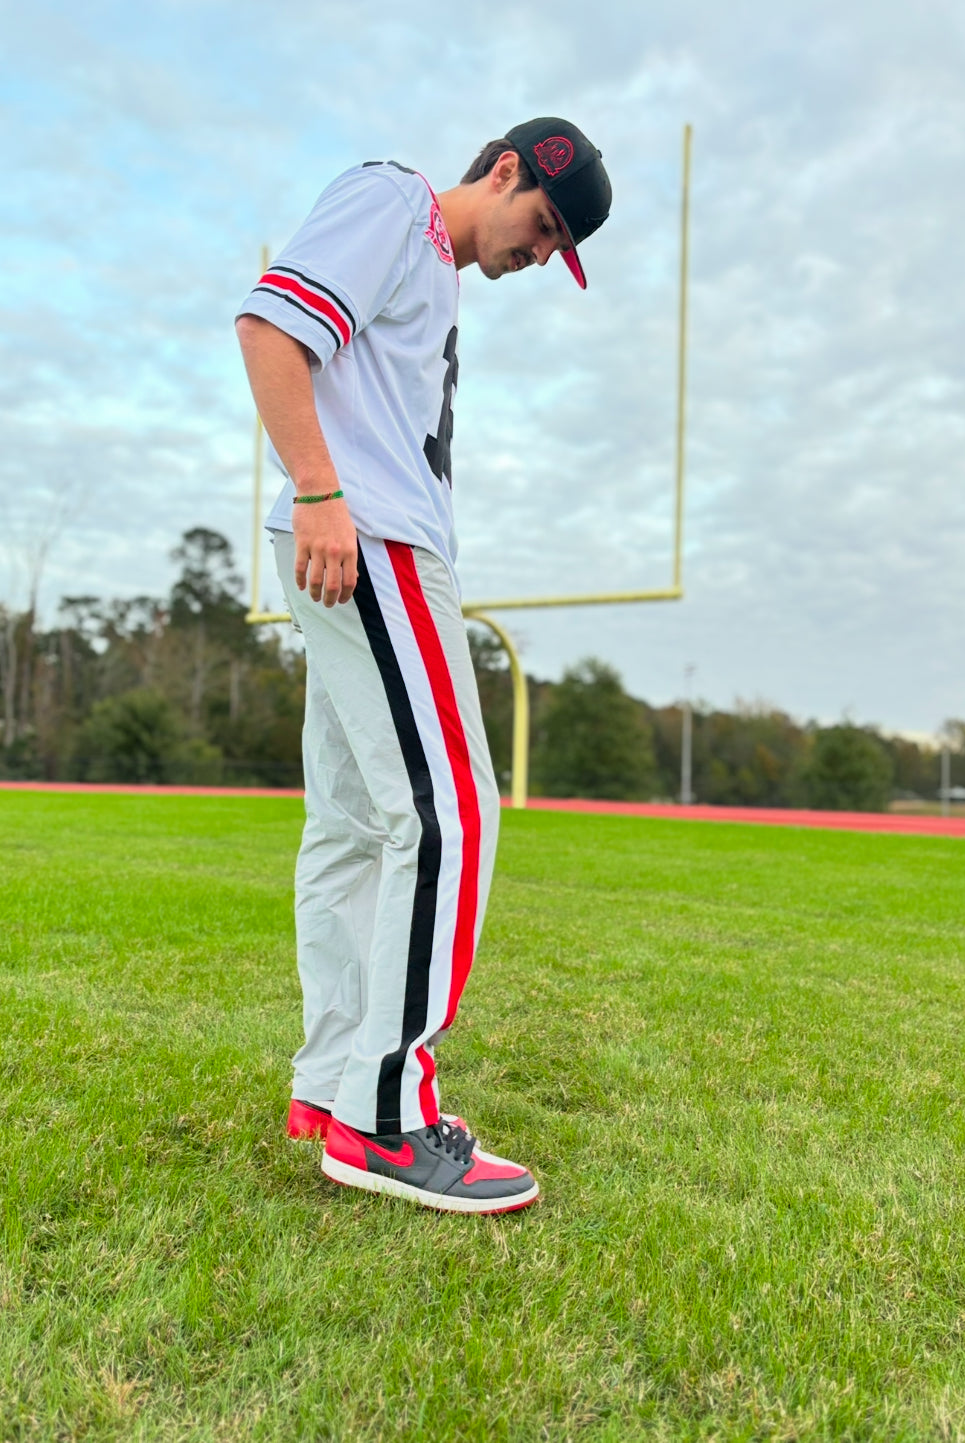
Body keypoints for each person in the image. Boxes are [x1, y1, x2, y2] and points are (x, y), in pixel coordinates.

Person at [235, 118, 611, 1214]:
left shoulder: (434, 277)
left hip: (376, 533)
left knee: (356, 821)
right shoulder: (397, 202)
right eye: (540, 228)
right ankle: (387, 1118)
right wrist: (317, 489)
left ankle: (337, 1081)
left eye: (554, 251)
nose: (535, 257)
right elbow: (271, 326)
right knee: (452, 814)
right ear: (504, 172)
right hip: (371, 537)